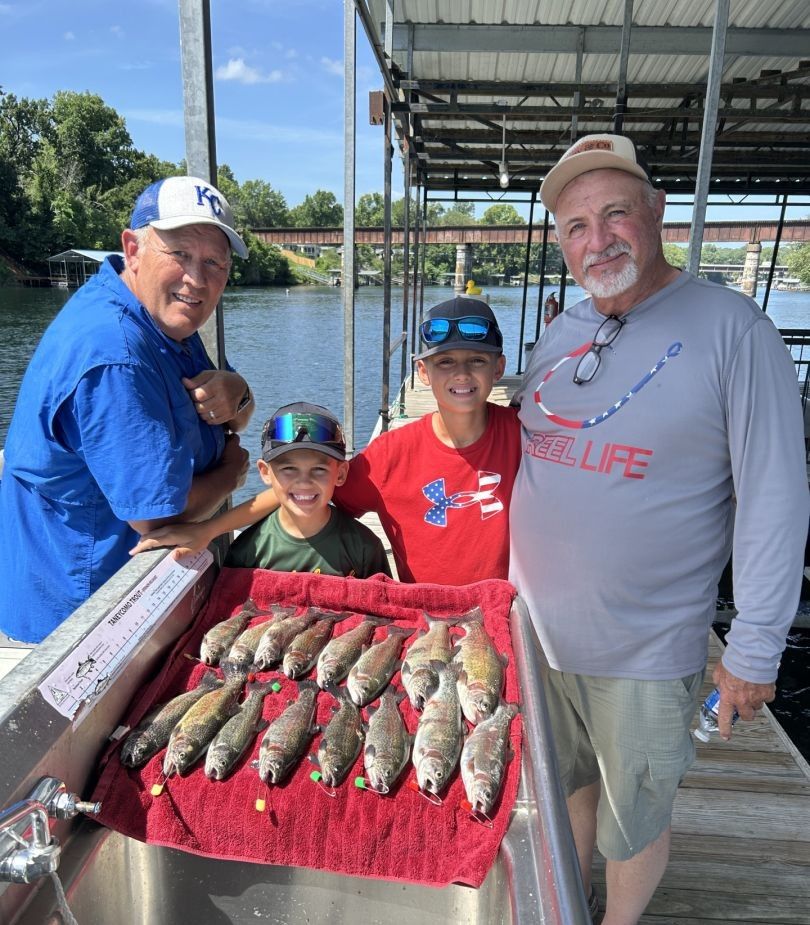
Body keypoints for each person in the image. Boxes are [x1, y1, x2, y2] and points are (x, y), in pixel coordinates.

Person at [509, 133, 809, 924]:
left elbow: (776, 496)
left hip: (642, 647)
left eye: (615, 213)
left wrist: (754, 648)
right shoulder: (562, 329)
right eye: (575, 225)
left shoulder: (734, 330)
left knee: (632, 819)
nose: (596, 238)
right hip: (536, 636)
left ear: (656, 211)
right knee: (565, 788)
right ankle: (568, 906)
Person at [0, 175, 255, 644]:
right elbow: (157, 516)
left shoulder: (160, 314)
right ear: (133, 249)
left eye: (214, 262)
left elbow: (229, 414)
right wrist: (233, 473)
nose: (196, 279)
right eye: (178, 254)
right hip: (81, 611)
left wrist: (239, 392)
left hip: (132, 589)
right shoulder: (115, 353)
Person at [131, 297, 522, 586]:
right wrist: (210, 530)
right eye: (446, 362)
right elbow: (305, 488)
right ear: (422, 371)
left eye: (477, 361)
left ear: (499, 368)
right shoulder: (391, 455)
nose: (462, 374)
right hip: (426, 613)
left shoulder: (524, 435)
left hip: (506, 607)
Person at [224, 402, 391, 578]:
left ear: (340, 474)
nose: (304, 482)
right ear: (265, 472)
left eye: (319, 469)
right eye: (289, 469)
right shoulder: (247, 551)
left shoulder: (365, 547)